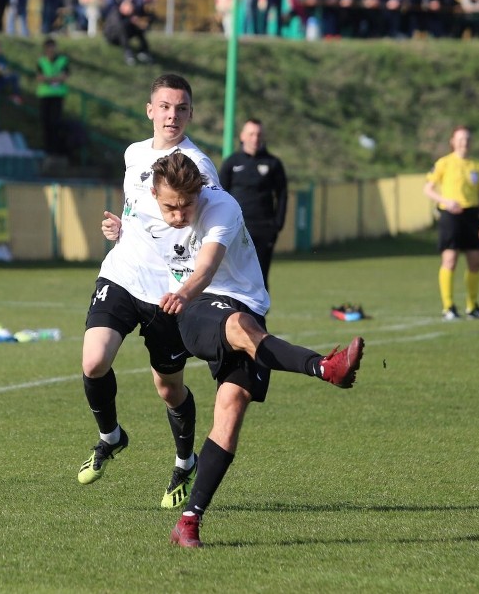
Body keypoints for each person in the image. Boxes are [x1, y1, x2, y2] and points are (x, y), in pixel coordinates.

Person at [101, 152, 365, 548]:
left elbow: (205, 268)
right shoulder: (146, 202)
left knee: (232, 406)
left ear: (200, 193)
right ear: (154, 193)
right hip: (197, 308)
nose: (178, 214)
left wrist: (181, 291)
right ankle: (325, 368)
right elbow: (143, 233)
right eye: (169, 206)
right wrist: (119, 230)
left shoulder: (221, 207)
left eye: (186, 205)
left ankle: (188, 522)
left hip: (224, 298)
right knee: (239, 327)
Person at [76, 74, 222, 511]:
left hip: (169, 294)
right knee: (94, 359)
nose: (171, 115)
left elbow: (213, 226)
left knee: (168, 388)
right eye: (164, 106)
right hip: (122, 274)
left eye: (180, 108)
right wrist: (120, 227)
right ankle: (111, 437)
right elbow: (138, 207)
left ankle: (184, 460)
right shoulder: (133, 153)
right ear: (150, 109)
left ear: (190, 113)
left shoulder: (199, 166)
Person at [423, 125, 479, 320]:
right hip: (451, 215)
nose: (464, 143)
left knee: (475, 262)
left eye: (468, 139)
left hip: (472, 215)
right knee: (450, 260)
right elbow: (427, 189)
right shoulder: (444, 163)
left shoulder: (477, 166)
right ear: (452, 142)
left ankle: (472, 306)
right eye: (460, 139)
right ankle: (448, 307)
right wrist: (445, 201)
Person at [218, 118, 288, 290]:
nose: (255, 138)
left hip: (264, 228)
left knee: (261, 276)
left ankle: (259, 316)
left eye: (258, 134)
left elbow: (282, 194)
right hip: (237, 228)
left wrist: (277, 224)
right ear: (243, 136)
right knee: (234, 274)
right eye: (251, 134)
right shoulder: (232, 162)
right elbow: (219, 194)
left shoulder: (273, 164)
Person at [35, 38, 70, 156]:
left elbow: (65, 75)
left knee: (56, 123)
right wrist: (54, 79)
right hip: (45, 95)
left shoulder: (62, 60)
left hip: (57, 95)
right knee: (46, 122)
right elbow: (39, 77)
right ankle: (47, 148)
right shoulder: (41, 61)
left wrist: (49, 79)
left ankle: (56, 149)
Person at [101, 0, 154, 66]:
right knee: (122, 28)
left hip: (123, 34)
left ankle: (143, 51)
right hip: (112, 37)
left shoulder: (130, 15)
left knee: (138, 28)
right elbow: (118, 27)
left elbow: (147, 19)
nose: (130, 8)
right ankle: (128, 53)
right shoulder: (115, 14)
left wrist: (137, 22)